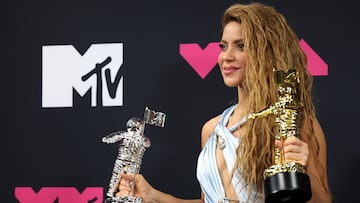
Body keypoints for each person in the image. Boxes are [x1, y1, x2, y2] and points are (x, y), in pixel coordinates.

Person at [117, 2, 332, 203]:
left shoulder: (292, 122)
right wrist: (152, 195)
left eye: (241, 46)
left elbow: (323, 200)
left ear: (267, 52)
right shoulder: (211, 129)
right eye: (223, 46)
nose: (226, 57)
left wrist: (305, 168)